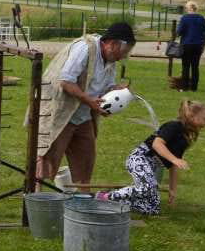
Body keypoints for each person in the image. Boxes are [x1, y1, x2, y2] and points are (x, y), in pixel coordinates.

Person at [35, 22, 135, 187]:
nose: (123, 56)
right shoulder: (85, 49)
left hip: (82, 116)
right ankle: (35, 200)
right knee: (47, 160)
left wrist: (116, 92)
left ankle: (81, 202)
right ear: (112, 43)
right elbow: (66, 81)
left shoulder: (111, 60)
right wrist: (89, 100)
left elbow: (106, 88)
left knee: (85, 161)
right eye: (124, 51)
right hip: (61, 112)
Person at [97, 100, 205, 215]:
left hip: (151, 166)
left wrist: (173, 190)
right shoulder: (173, 126)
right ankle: (104, 196)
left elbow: (174, 166)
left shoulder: (185, 137)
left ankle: (116, 202)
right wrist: (174, 159)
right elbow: (157, 144)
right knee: (148, 187)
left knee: (152, 208)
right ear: (191, 116)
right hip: (139, 159)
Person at [177, 1, 205, 92]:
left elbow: (178, 32)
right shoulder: (202, 18)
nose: (186, 9)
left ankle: (185, 87)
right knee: (195, 67)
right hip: (198, 46)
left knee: (186, 66)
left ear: (190, 8)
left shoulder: (184, 18)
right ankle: (194, 88)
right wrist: (203, 46)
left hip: (186, 45)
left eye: (186, 8)